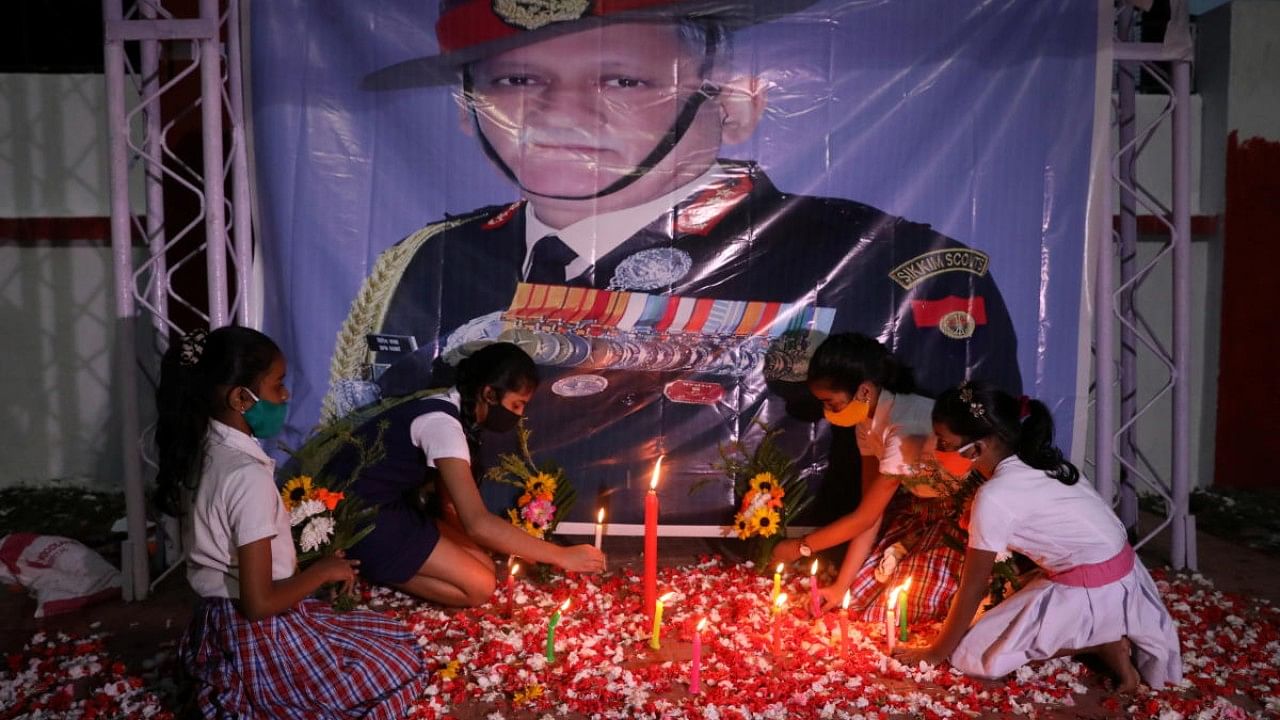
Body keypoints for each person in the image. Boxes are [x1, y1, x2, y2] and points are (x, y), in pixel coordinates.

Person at [326, 0, 1023, 524]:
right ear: (467, 108)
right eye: (515, 79)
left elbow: (965, 477)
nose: (560, 113)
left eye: (623, 82)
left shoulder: (891, 263)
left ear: (734, 99)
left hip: (774, 603)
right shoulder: (429, 262)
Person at [155, 326, 425, 719]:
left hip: (215, 624)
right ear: (241, 398)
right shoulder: (246, 476)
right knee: (395, 662)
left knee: (379, 640)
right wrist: (324, 572)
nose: (285, 396)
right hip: (256, 632)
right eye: (278, 385)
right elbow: (260, 604)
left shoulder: (207, 449)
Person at [897, 382, 1182, 692]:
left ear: (977, 448)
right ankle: (1100, 630)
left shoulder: (996, 495)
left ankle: (1102, 641)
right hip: (1123, 572)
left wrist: (936, 652)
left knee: (971, 654)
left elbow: (972, 586)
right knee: (1001, 618)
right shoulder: (1041, 460)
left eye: (944, 442)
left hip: (1094, 587)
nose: (938, 451)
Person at [326, 342, 606, 606]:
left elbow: (452, 508)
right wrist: (561, 556)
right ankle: (368, 567)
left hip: (393, 509)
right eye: (516, 405)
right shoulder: (443, 425)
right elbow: (477, 523)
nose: (518, 416)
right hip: (362, 520)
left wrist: (520, 547)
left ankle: (391, 560)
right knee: (479, 586)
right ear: (489, 394)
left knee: (483, 564)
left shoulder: (454, 412)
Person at [771, 333, 967, 623]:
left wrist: (800, 547)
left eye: (831, 403)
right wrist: (839, 588)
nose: (827, 413)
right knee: (860, 597)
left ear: (864, 391)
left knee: (895, 609)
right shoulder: (865, 423)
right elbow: (869, 514)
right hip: (920, 515)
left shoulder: (904, 428)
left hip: (964, 519)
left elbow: (864, 518)